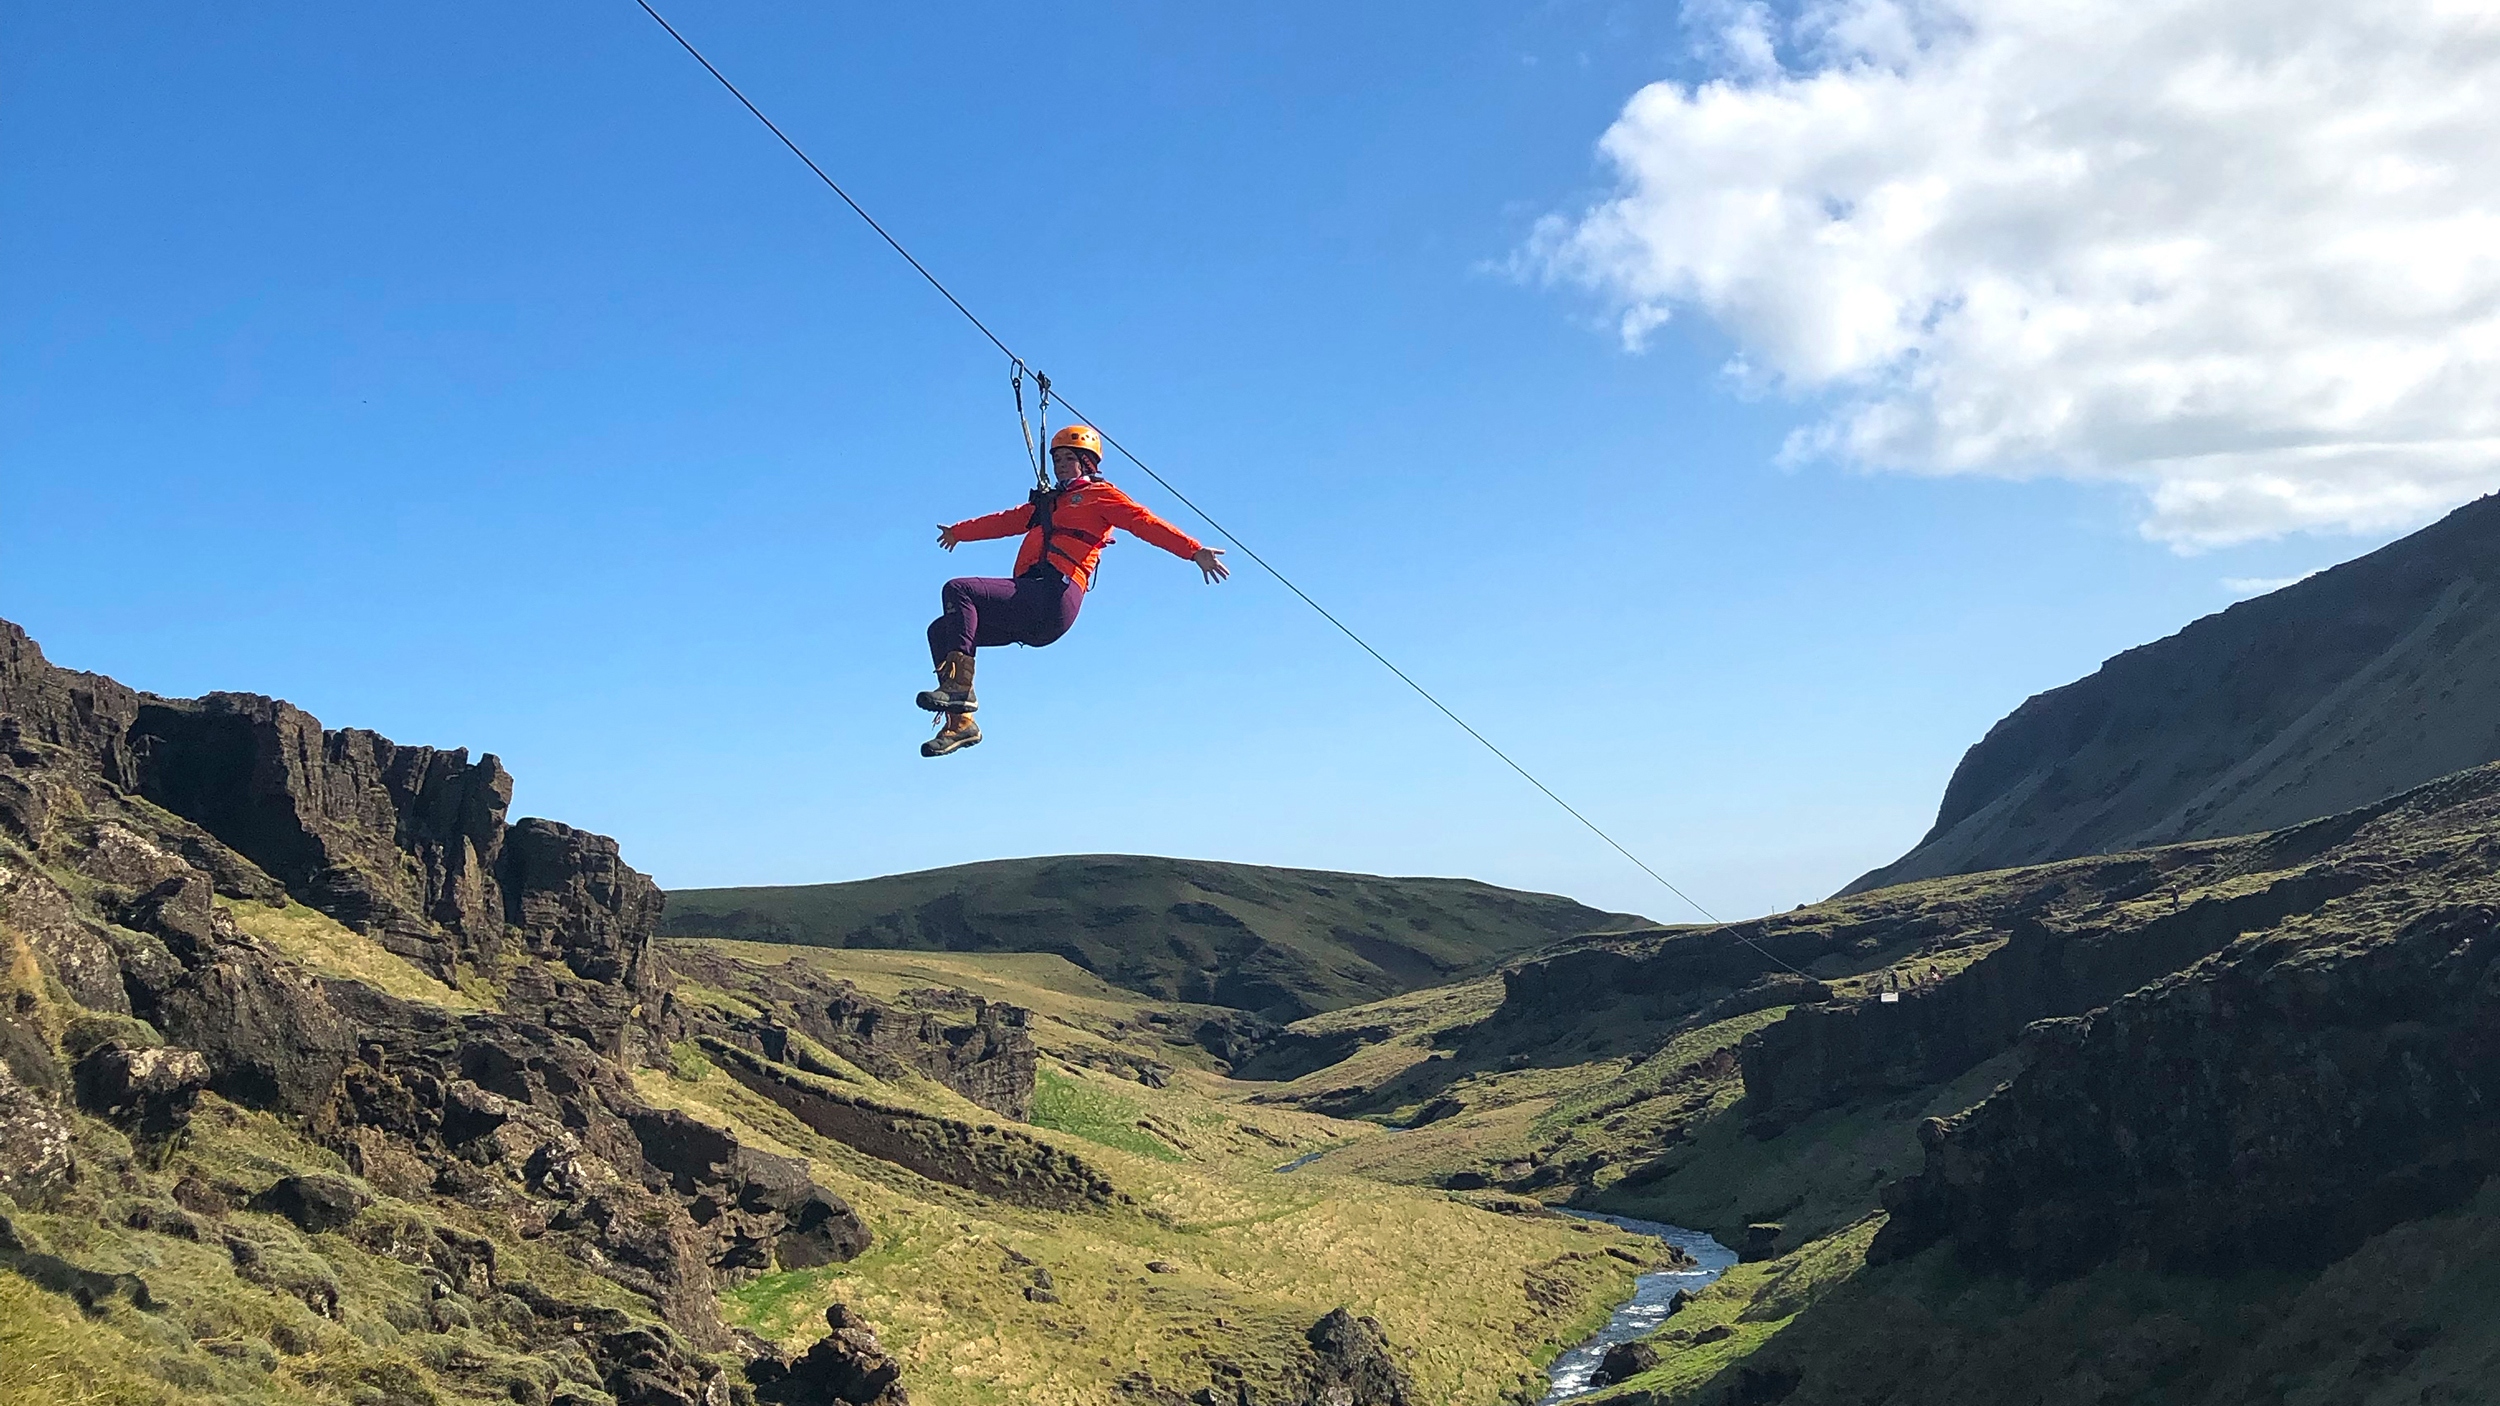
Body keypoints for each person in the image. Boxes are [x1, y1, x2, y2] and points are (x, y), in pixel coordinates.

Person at [916, 425, 1228, 756]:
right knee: (940, 630)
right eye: (1057, 459)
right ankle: (961, 725)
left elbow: (1144, 522)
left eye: (1068, 458)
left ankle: (960, 690)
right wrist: (959, 532)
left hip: (1054, 596)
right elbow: (1004, 521)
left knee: (959, 589)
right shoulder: (1048, 504)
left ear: (1087, 462)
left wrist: (1193, 551)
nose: (1060, 465)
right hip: (1030, 603)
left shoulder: (1101, 496)